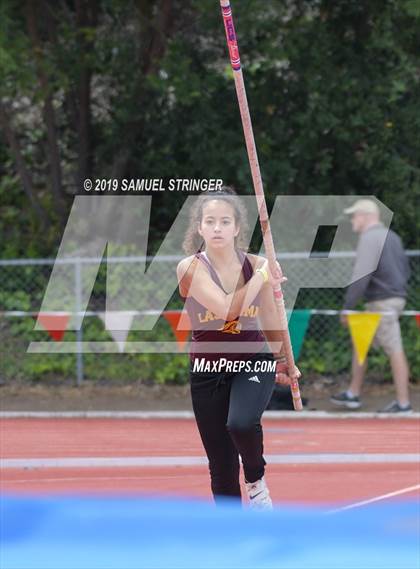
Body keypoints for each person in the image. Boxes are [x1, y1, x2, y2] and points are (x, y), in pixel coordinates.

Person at [177, 188, 300, 509]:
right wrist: (263, 278)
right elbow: (225, 309)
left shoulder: (257, 264)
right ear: (199, 228)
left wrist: (282, 359)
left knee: (242, 423)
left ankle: (257, 481)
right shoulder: (190, 267)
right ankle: (232, 534)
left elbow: (272, 316)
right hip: (207, 370)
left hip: (252, 361)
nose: (217, 228)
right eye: (210, 221)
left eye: (224, 221)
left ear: (236, 228)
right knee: (221, 466)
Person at [331, 199, 411, 413]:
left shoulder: (369, 237)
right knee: (361, 343)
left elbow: (361, 274)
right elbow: (405, 269)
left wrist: (348, 307)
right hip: (390, 298)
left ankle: (403, 404)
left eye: (354, 216)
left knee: (394, 348)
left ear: (366, 216)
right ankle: (353, 393)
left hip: (382, 301)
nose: (352, 220)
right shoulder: (393, 236)